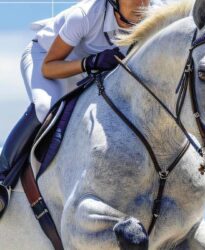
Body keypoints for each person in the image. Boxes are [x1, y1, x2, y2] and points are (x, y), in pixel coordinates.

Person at [0, 0, 158, 213]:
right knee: (45, 107)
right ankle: (3, 177)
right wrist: (90, 62)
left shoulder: (156, 11)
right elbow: (49, 67)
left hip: (88, 70)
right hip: (47, 59)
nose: (143, 3)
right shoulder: (84, 15)